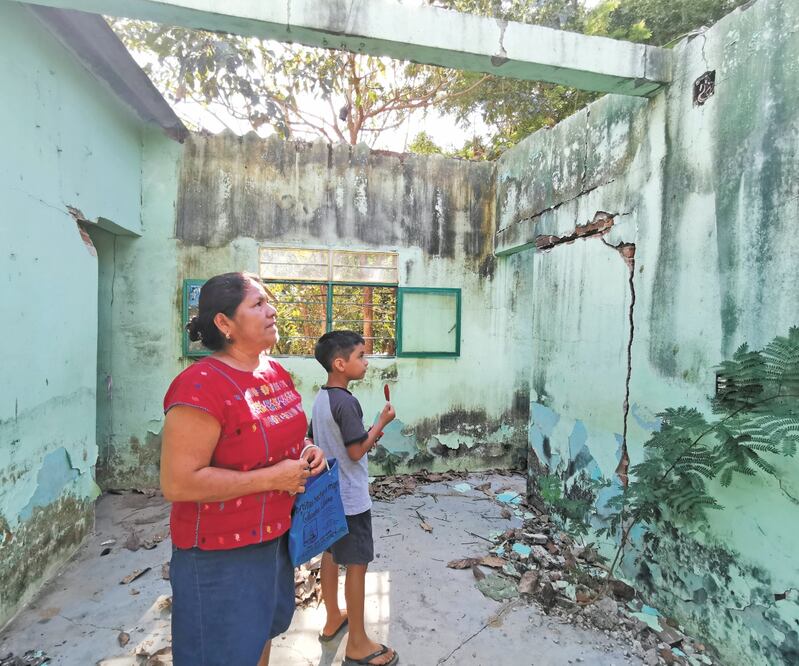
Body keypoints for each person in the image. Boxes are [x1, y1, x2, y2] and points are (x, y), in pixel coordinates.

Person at [160, 271, 326, 666]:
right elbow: (178, 483)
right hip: (220, 556)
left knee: (260, 635)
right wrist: (272, 479)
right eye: (258, 304)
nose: (272, 311)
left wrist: (307, 449)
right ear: (224, 323)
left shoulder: (274, 372)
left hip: (275, 541)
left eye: (268, 302)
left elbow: (284, 437)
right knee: (222, 652)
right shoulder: (199, 386)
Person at [309, 330, 399, 666]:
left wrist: (369, 434)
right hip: (351, 499)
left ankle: (333, 617)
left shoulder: (322, 398)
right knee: (358, 565)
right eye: (361, 356)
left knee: (331, 555)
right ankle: (358, 644)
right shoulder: (347, 402)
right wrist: (380, 423)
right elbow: (357, 451)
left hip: (330, 495)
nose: (366, 362)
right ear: (340, 363)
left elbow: (315, 439)